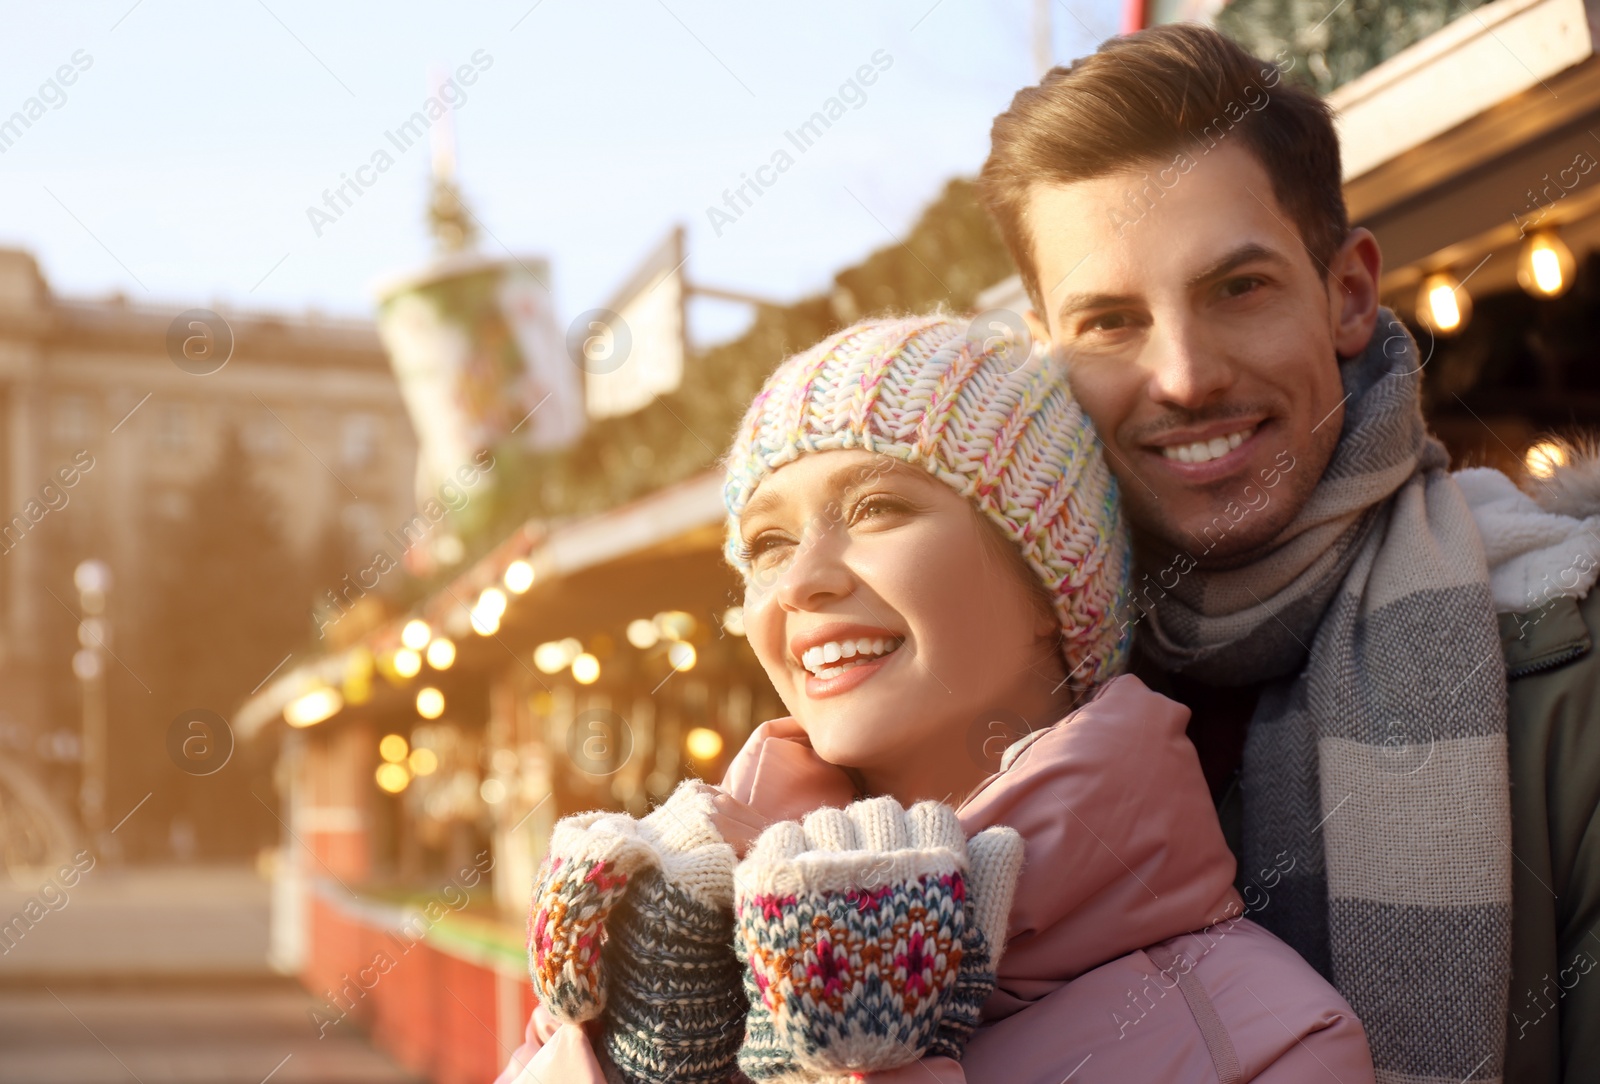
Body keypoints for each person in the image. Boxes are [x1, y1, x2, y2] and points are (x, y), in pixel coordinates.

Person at [498, 315, 1375, 1083]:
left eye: (877, 507)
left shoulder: (1267, 1041)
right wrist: (626, 1062)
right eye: (768, 540)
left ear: (1050, 585)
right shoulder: (669, 935)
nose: (800, 580)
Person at [976, 22, 1600, 1083]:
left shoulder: (1566, 663)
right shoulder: (1010, 710)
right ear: (1046, 356)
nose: (1182, 376)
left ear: (1349, 293)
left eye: (1237, 288)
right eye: (1110, 321)